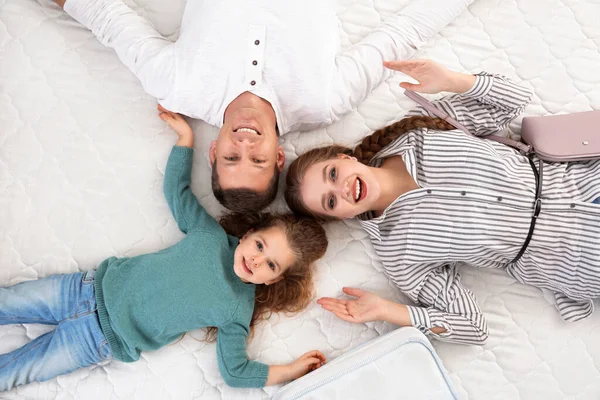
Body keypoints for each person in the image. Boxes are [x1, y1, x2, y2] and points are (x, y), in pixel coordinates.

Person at [0, 107, 328, 391]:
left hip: (99, 341)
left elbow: (235, 372)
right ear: (248, 233)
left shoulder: (236, 311)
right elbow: (177, 191)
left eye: (270, 266)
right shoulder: (209, 235)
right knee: (7, 302)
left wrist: (291, 370)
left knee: (16, 372)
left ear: (273, 281)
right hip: (82, 290)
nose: (256, 260)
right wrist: (185, 138)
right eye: (260, 245)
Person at [285, 58, 600, 345]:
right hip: (576, 260)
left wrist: (452, 80)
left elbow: (515, 98)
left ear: (344, 157)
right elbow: (472, 327)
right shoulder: (400, 254)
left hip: (582, 180)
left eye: (333, 174)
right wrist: (386, 310)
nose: (340, 189)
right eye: (329, 202)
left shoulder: (419, 129)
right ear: (339, 217)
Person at [50, 0, 472, 212]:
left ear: (213, 151)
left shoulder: (176, 87)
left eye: (233, 157)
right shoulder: (323, 102)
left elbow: (109, 21)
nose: (246, 143)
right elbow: (400, 37)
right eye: (258, 159)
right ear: (280, 156)